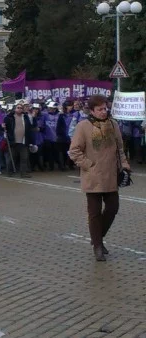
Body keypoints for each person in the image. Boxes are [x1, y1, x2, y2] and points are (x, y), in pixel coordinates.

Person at [69, 94, 130, 262]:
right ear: (92, 110)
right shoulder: (83, 126)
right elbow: (74, 151)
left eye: (105, 108)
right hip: (93, 177)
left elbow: (120, 149)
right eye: (100, 109)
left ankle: (97, 237)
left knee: (113, 208)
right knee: (94, 213)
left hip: (111, 175)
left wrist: (124, 166)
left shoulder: (113, 124)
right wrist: (89, 165)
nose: (104, 112)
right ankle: (98, 246)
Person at [3, 103, 36, 178]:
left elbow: (29, 128)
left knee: (24, 158)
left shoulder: (25, 117)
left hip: (23, 142)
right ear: (15, 108)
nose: (20, 109)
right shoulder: (9, 117)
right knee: (11, 158)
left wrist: (30, 141)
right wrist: (3, 126)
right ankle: (9, 172)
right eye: (18, 107)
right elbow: (3, 127)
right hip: (13, 142)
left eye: (21, 108)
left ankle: (23, 173)